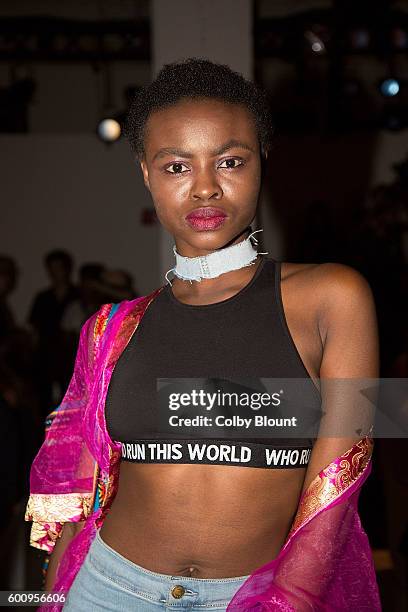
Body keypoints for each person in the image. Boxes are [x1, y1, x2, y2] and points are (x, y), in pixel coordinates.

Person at [25, 59, 381, 611]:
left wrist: (290, 602)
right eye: (176, 167)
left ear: (262, 160)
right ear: (146, 172)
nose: (206, 188)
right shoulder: (109, 330)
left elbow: (341, 476)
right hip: (107, 589)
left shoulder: (333, 296)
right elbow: (77, 500)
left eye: (231, 161)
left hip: (256, 599)